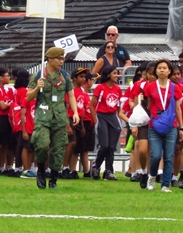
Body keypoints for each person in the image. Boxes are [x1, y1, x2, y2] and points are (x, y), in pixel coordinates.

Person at [27, 47, 79, 190]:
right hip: (43, 117)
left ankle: (54, 179)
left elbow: (71, 95)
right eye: (59, 58)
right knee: (42, 145)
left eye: (63, 58)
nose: (61, 62)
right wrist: (38, 88)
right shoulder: (39, 75)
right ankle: (41, 172)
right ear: (50, 59)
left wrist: (75, 112)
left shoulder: (64, 76)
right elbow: (28, 97)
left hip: (60, 117)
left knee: (58, 149)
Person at [143, 59, 183, 192]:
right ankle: (152, 176)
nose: (162, 70)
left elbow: (178, 108)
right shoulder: (150, 87)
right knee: (155, 155)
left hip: (171, 125)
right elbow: (148, 104)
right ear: (155, 71)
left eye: (164, 68)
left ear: (169, 71)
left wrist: (181, 127)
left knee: (169, 156)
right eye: (159, 68)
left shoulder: (174, 87)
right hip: (154, 125)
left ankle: (165, 185)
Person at [91, 65, 126, 181]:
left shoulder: (117, 89)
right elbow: (92, 104)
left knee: (111, 146)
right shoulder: (100, 88)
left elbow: (118, 107)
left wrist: (120, 119)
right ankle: (96, 166)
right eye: (114, 73)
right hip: (102, 116)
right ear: (108, 75)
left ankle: (108, 171)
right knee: (104, 145)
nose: (117, 75)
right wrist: (95, 119)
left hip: (113, 117)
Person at [61, 67, 90, 179]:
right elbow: (67, 107)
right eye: (81, 77)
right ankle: (64, 168)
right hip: (69, 119)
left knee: (76, 146)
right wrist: (67, 124)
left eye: (84, 77)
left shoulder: (82, 91)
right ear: (73, 78)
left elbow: (81, 110)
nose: (83, 79)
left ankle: (71, 169)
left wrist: (81, 125)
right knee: (71, 143)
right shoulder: (70, 91)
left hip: (78, 120)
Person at [0, 67, 12, 174]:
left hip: (6, 118)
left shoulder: (5, 89)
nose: (9, 77)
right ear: (1, 78)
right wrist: (11, 105)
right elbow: (2, 106)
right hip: (0, 118)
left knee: (5, 144)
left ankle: (2, 167)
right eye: (7, 76)